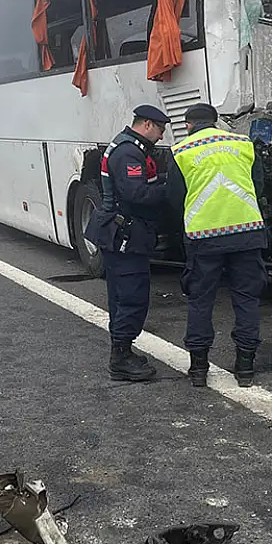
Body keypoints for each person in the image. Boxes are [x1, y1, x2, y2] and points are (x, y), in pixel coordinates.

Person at [167, 103, 267, 388]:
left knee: (200, 301)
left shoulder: (182, 151)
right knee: (247, 299)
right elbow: (258, 186)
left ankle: (199, 368)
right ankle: (245, 367)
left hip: (203, 237)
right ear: (217, 122)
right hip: (247, 232)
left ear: (188, 125)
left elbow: (174, 196)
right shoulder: (243, 144)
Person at [84, 105, 172, 382]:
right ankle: (120, 357)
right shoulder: (129, 153)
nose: (161, 136)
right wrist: (170, 188)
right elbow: (135, 193)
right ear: (147, 124)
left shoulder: (130, 147)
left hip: (123, 233)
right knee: (131, 297)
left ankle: (122, 352)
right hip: (125, 235)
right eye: (160, 129)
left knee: (123, 296)